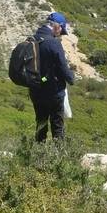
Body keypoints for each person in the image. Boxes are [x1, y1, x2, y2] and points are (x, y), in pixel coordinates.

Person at [28, 12, 75, 141]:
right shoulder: (53, 43)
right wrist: (71, 78)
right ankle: (58, 158)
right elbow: (63, 68)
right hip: (53, 91)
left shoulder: (33, 39)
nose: (60, 34)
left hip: (36, 90)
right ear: (57, 26)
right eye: (61, 31)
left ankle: (38, 155)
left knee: (41, 123)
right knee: (57, 126)